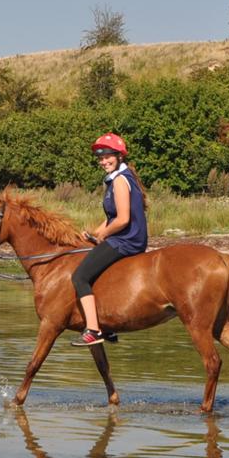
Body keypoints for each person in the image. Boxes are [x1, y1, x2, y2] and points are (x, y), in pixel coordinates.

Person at [70, 133, 148, 346]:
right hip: (123, 237)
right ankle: (108, 325)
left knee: (79, 277)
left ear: (119, 156)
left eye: (108, 157)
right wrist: (92, 235)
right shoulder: (116, 179)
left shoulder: (121, 181)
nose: (104, 161)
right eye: (101, 158)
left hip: (127, 240)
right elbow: (111, 218)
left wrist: (102, 236)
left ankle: (94, 330)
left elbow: (122, 219)